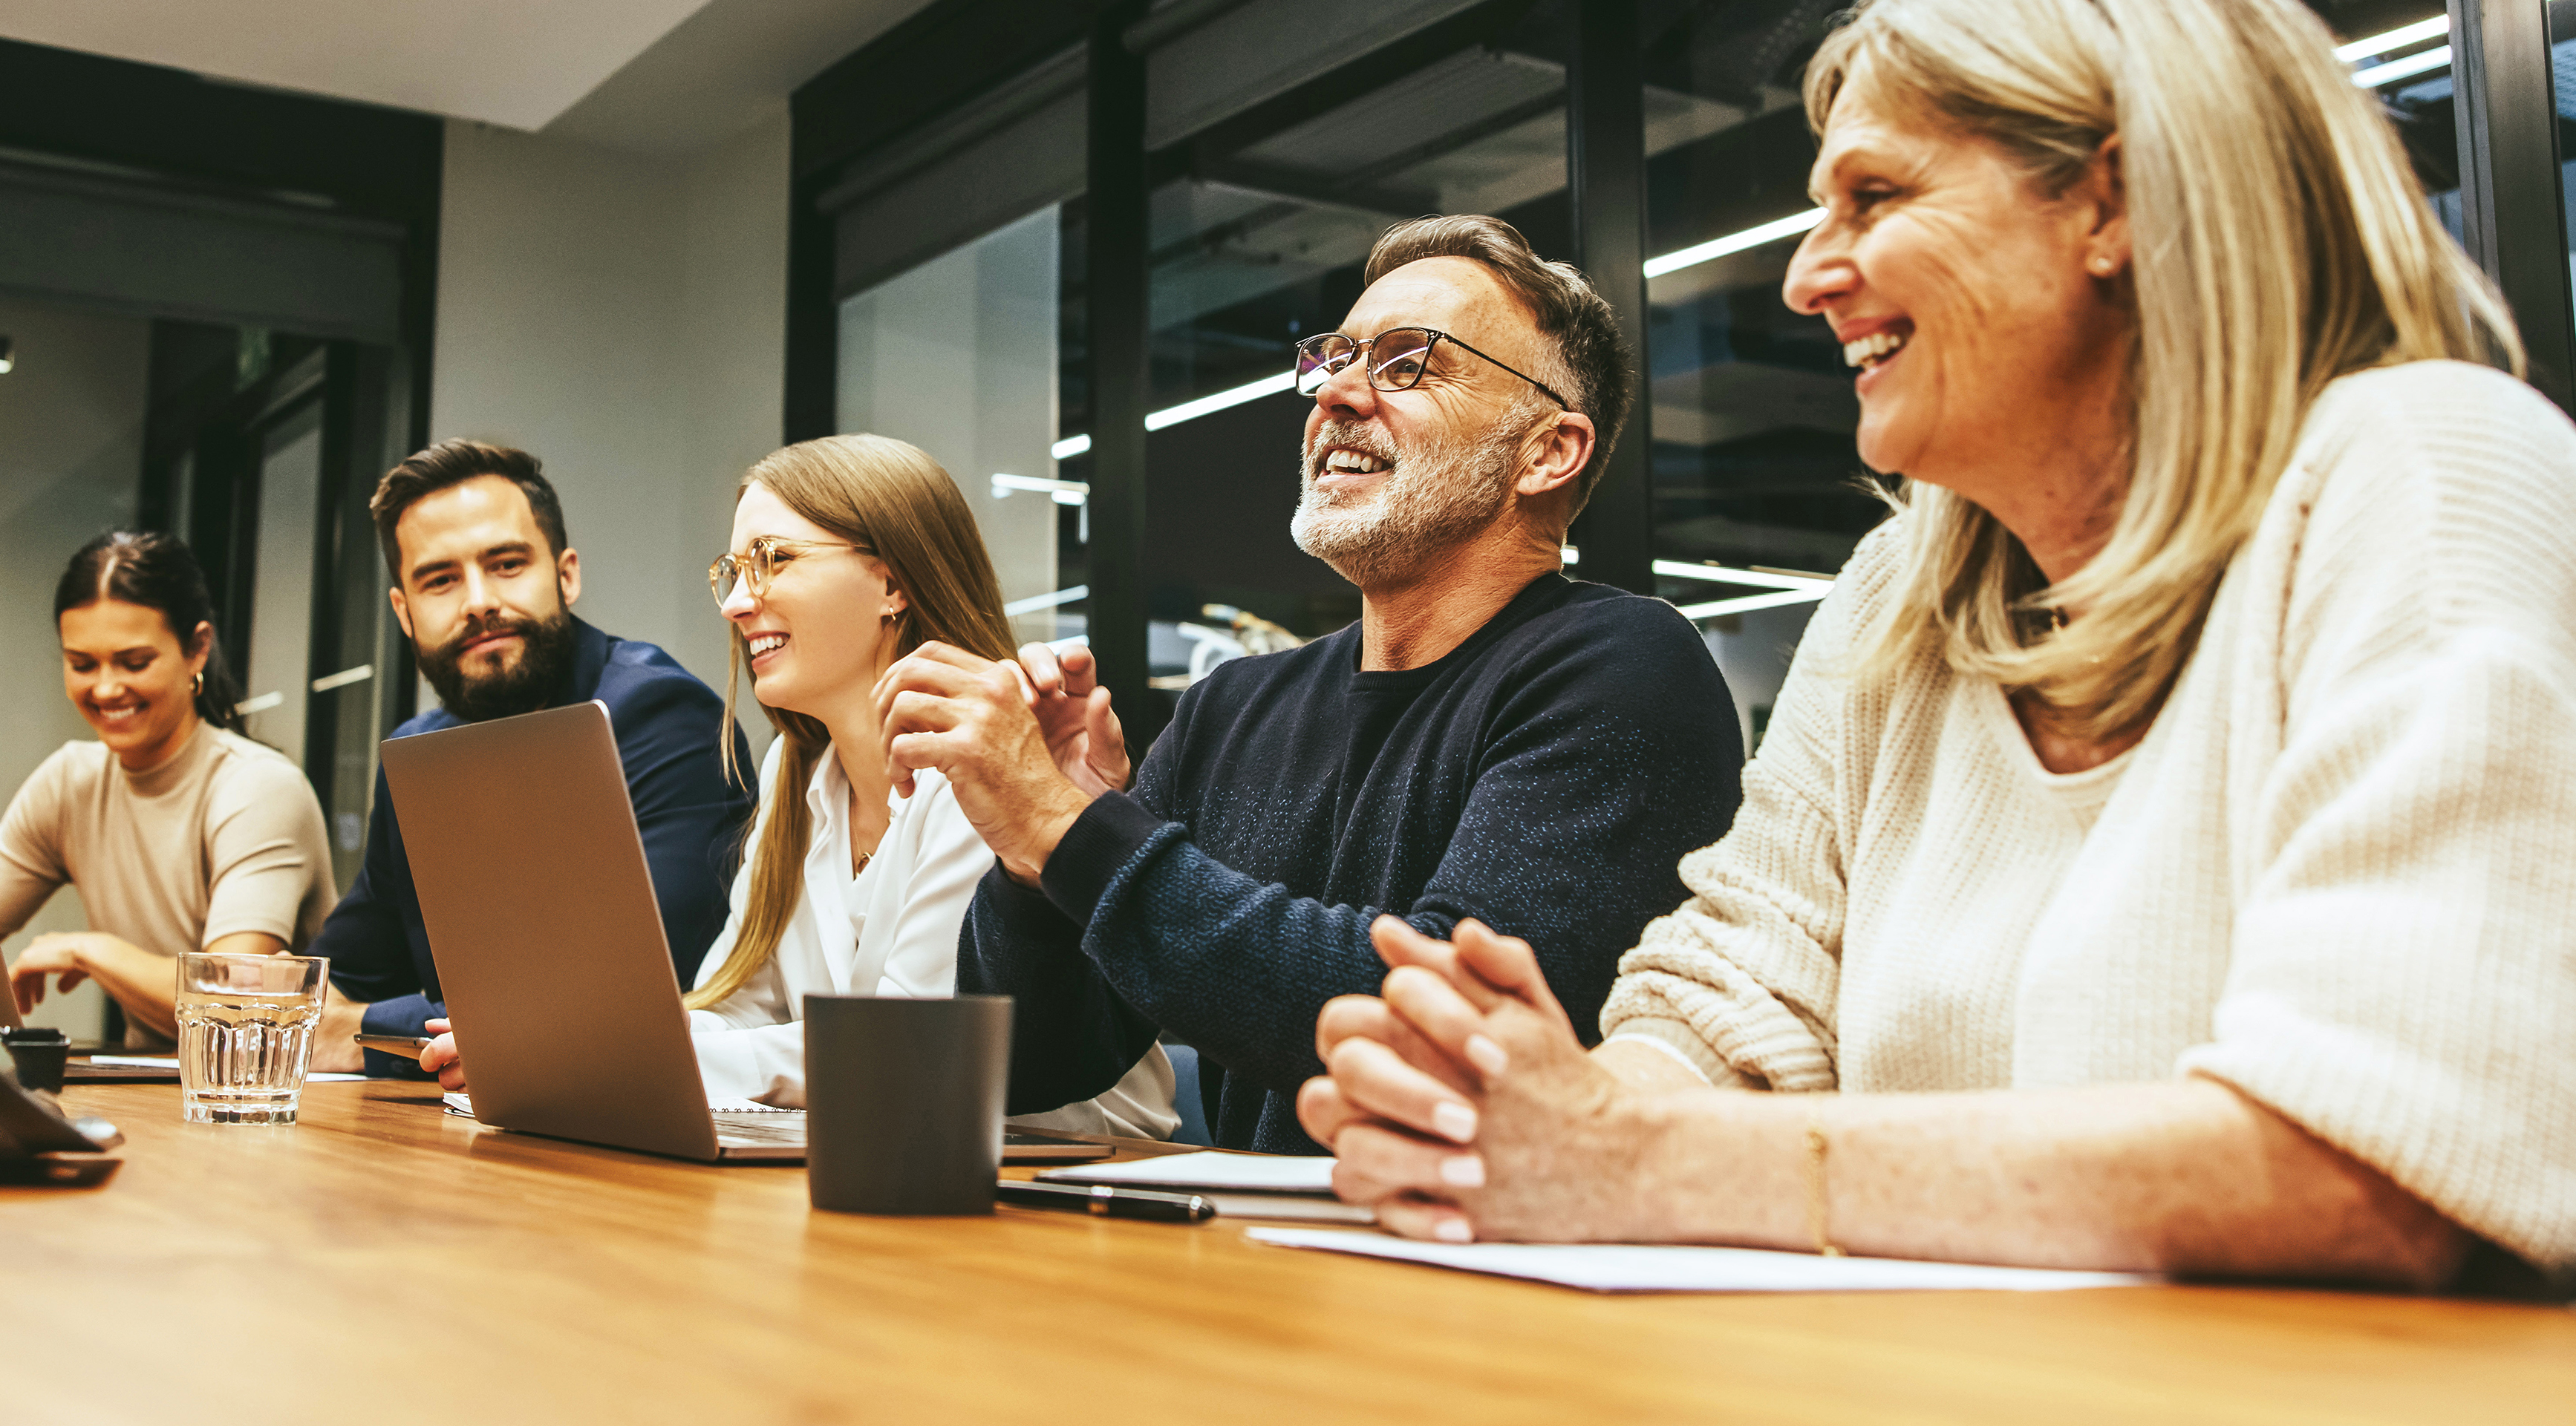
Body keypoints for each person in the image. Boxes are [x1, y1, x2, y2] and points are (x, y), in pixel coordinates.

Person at [1300, 0, 2576, 1288]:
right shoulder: (1899, 591)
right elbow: (1732, 1001)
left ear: (2114, 202)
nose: (1805, 275)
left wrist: (1628, 1159)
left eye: (1874, 199)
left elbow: (2370, 1167)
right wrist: (1526, 1118)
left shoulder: (2425, 463)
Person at [876, 216, 1749, 1154]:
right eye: (1334, 358)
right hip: (1252, 1267)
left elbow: (1438, 1039)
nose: (1335, 391)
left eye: (1407, 361)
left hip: (1477, 1277)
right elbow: (1036, 1068)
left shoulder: (1621, 667)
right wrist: (1032, 860)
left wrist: (1071, 829)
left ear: (1546, 453)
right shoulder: (1232, 708)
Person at [418, 434, 1177, 1136]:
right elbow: (737, 1003)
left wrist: (599, 1055)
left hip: (1080, 1183)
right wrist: (561, 1041)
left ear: (892, 581)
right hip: (896, 1159)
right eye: (732, 572)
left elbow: (903, 1046)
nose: (736, 602)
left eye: (773, 560)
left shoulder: (991, 759)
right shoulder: (795, 773)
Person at [309, 440, 751, 1073]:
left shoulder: (663, 716)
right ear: (404, 614)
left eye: (507, 564)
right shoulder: (415, 753)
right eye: (440, 580)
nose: (479, 601)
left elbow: (627, 1000)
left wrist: (359, 1031)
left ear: (565, 574)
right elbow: (343, 975)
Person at [0, 531, 337, 1044]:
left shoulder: (258, 787)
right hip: (152, 1091)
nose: (105, 688)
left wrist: (90, 951)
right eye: (82, 664)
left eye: (134, 662)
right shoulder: (69, 783)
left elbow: (233, 1002)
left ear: (197, 649)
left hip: (267, 1100)